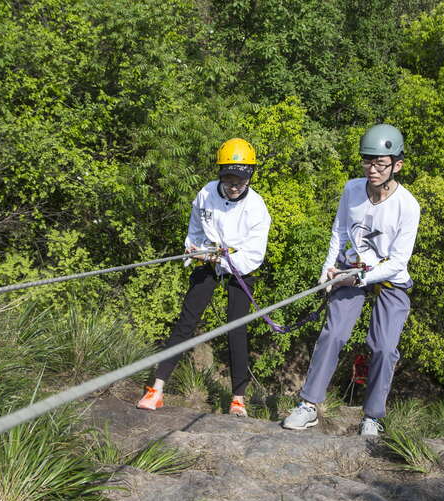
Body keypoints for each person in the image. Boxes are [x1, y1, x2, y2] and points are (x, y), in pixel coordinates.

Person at [282, 124, 420, 435]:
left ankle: (372, 417)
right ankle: (308, 405)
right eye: (367, 161)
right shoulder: (352, 190)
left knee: (384, 346)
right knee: (333, 334)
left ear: (397, 165)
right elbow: (339, 232)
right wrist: (328, 269)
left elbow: (398, 262)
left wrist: (357, 279)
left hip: (387, 277)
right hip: (352, 266)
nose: (372, 169)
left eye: (380, 163)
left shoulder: (408, 206)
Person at [137, 138, 271, 417]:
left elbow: (253, 256)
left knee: (237, 327)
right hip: (208, 259)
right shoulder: (206, 194)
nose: (234, 186)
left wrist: (221, 258)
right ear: (220, 174)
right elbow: (195, 230)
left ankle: (238, 399)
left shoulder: (257, 208)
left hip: (239, 266)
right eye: (229, 179)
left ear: (250, 176)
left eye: (241, 181)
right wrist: (194, 250)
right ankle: (157, 388)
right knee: (187, 320)